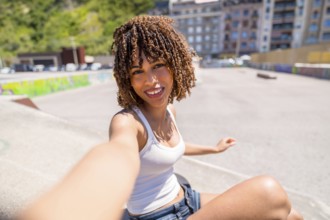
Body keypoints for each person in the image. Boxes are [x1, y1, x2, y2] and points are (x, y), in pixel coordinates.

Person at [19, 15, 303, 220]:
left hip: (186, 199)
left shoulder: (170, 111)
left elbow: (169, 147)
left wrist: (213, 149)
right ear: (126, 79)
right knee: (269, 193)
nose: (151, 80)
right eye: (137, 72)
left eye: (157, 66)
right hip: (157, 216)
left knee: (293, 215)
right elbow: (116, 157)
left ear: (176, 65)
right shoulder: (127, 123)